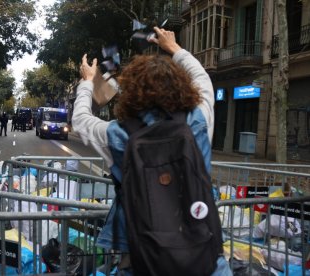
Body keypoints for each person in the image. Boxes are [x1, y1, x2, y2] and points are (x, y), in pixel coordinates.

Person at [72, 27, 232, 275]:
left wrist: (86, 83)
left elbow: (81, 120)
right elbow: (202, 78)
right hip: (205, 260)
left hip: (141, 261)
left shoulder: (119, 134)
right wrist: (174, 48)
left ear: (131, 92)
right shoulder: (199, 120)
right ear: (182, 86)